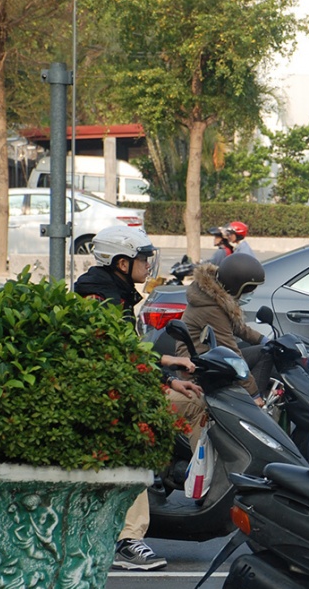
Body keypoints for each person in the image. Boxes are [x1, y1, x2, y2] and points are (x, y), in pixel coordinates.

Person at [74, 225, 206, 570]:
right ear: (121, 263)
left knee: (195, 402)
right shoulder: (98, 298)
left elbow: (127, 349)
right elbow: (113, 353)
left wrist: (167, 366)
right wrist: (164, 378)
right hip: (105, 399)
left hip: (122, 387)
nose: (148, 264)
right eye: (142, 258)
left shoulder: (115, 293)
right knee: (134, 445)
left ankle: (196, 483)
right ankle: (128, 539)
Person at [176, 251, 271, 403]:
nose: (251, 293)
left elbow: (238, 327)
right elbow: (232, 354)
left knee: (266, 350)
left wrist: (264, 340)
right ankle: (249, 408)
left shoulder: (217, 298)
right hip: (199, 367)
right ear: (236, 286)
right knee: (262, 356)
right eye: (249, 289)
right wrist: (254, 395)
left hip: (210, 359)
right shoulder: (212, 309)